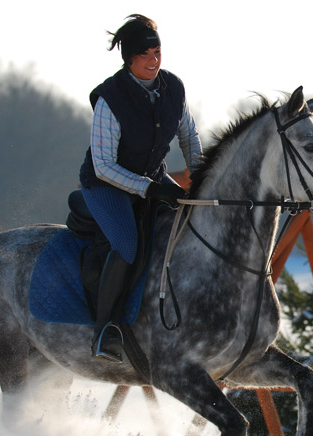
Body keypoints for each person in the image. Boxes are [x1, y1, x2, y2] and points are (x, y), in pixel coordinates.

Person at [79, 14, 203, 363]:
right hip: (105, 185)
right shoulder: (109, 99)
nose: (154, 60)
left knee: (189, 222)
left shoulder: (174, 88)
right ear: (129, 59)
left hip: (151, 178)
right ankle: (105, 331)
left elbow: (189, 138)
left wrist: (201, 176)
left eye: (158, 52)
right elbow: (104, 166)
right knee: (127, 243)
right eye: (146, 54)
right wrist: (148, 189)